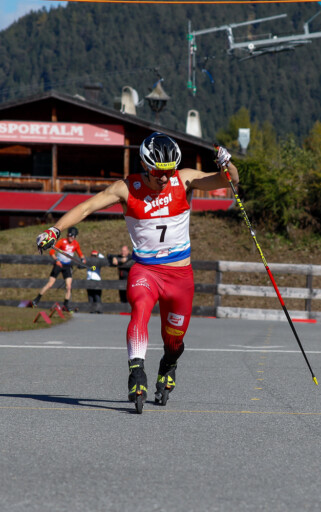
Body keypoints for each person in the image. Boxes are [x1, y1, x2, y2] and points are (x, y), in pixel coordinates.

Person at [35, 132, 238, 413]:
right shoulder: (126, 188)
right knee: (140, 309)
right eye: (158, 173)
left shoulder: (185, 178)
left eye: (169, 172)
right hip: (146, 271)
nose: (165, 179)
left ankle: (168, 364)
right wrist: (55, 230)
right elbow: (86, 207)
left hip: (180, 277)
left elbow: (228, 181)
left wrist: (228, 164)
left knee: (175, 340)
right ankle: (136, 372)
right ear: (146, 166)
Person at [31, 226, 87, 311]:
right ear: (67, 235)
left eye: (73, 236)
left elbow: (80, 253)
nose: (71, 238)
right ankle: (37, 299)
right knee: (50, 284)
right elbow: (52, 252)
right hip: (59, 264)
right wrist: (57, 260)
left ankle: (66, 305)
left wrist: (83, 259)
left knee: (68, 286)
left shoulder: (75, 244)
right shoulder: (62, 241)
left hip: (67, 266)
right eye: (70, 235)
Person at [86, 249, 106, 314]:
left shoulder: (99, 262)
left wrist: (98, 254)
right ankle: (92, 310)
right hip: (89, 280)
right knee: (90, 296)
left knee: (97, 296)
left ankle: (99, 310)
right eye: (92, 256)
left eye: (95, 256)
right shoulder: (88, 261)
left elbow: (104, 259)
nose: (93, 257)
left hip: (97, 280)